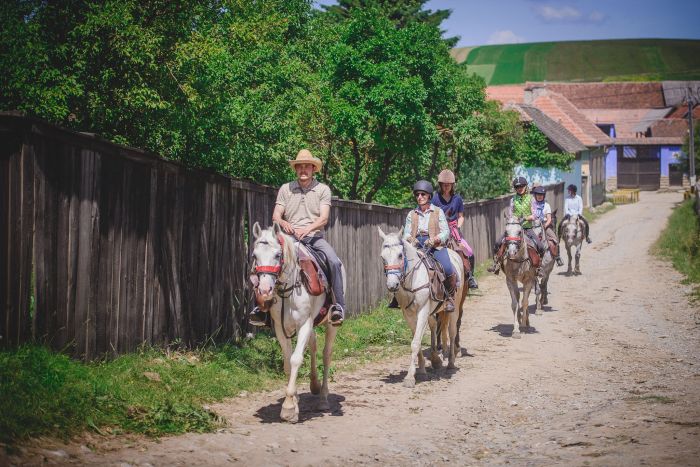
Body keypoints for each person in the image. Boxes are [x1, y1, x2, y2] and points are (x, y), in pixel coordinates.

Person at [249, 149, 346, 326]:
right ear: (295, 169)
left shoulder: (322, 189)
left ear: (313, 169)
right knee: (264, 261)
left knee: (333, 261)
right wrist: (283, 223)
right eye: (299, 166)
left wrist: (307, 228)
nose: (303, 170)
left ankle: (337, 306)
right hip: (289, 239)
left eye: (307, 166)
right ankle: (260, 307)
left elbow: (324, 218)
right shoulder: (286, 189)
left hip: (314, 238)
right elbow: (276, 215)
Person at [402, 180, 458, 312]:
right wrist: (411, 238)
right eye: (417, 195)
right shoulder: (412, 214)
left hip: (434, 245)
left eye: (423, 194)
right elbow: (405, 234)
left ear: (429, 196)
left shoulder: (438, 212)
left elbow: (446, 231)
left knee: (448, 267)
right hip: (416, 245)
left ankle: (449, 297)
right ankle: (398, 297)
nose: (419, 197)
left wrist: (435, 239)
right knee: (400, 266)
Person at [487, 176, 546, 275]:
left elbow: (535, 215)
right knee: (497, 243)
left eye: (522, 186)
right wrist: (514, 220)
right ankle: (496, 264)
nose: (520, 188)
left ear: (525, 186)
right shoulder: (513, 200)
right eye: (517, 187)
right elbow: (510, 213)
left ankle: (538, 267)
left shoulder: (531, 199)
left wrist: (526, 218)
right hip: (514, 228)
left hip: (527, 228)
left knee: (540, 246)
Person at [431, 169, 479, 289]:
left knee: (469, 252)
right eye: (444, 185)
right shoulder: (435, 199)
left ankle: (470, 277)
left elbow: (461, 216)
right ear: (440, 185)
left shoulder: (457, 199)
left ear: (452, 185)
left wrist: (457, 227)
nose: (446, 187)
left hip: (454, 229)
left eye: (449, 185)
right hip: (439, 230)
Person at [531, 185, 564, 266]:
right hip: (533, 226)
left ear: (543, 196)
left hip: (545, 225)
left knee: (555, 239)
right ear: (535, 195)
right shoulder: (531, 205)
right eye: (538, 195)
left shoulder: (546, 205)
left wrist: (545, 226)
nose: (539, 196)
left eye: (541, 195)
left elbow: (549, 219)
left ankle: (557, 257)